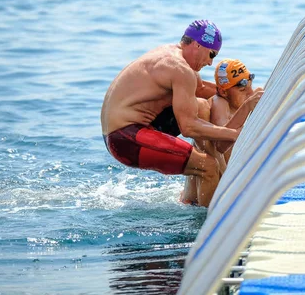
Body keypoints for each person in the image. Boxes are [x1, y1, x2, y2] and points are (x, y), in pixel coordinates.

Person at [100, 20, 240, 207]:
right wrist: (236, 134)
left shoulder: (172, 55)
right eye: (211, 54)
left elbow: (201, 88)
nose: (210, 62)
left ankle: (191, 199)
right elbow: (188, 127)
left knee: (202, 107)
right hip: (125, 138)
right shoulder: (180, 69)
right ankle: (208, 225)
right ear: (198, 45)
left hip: (122, 130)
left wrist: (244, 97)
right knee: (208, 167)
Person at [181, 59, 263, 205]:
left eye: (250, 87)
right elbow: (220, 145)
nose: (249, 93)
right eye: (243, 90)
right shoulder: (219, 103)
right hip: (194, 203)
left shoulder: (238, 103)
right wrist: (247, 107)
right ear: (223, 91)